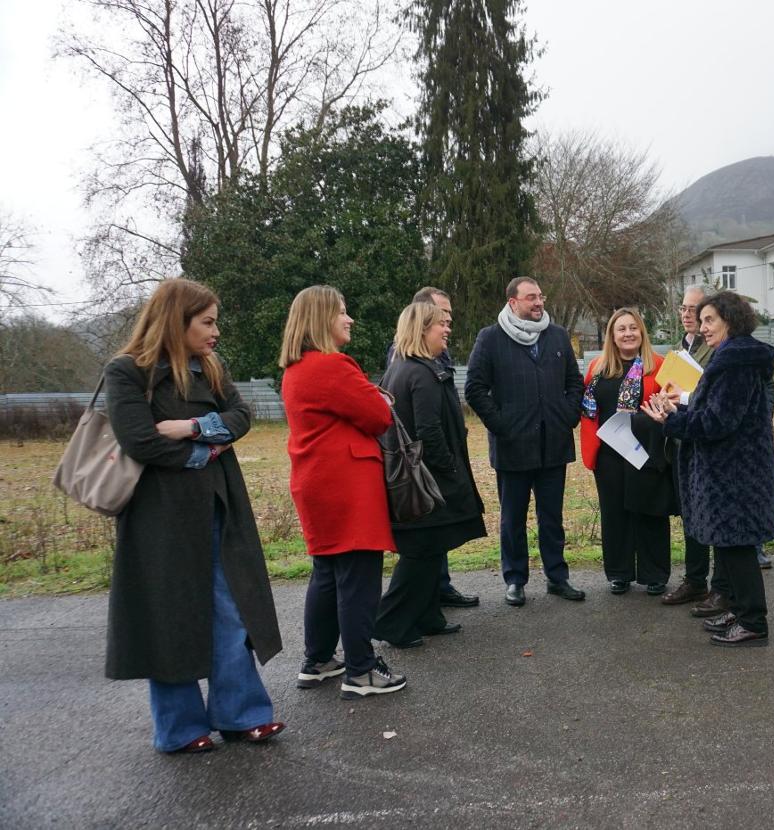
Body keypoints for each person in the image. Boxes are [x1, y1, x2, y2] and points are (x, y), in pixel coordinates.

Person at [103, 278, 283, 754]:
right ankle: (181, 729)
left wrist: (192, 427)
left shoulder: (211, 367)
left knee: (231, 611)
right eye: (207, 322)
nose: (216, 331)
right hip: (157, 521)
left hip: (218, 508)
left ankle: (241, 715)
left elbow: (242, 416)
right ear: (175, 321)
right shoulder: (127, 372)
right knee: (170, 619)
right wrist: (208, 451)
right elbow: (139, 440)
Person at [280, 285, 406, 698]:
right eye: (342, 312)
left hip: (316, 482)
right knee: (358, 577)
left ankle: (317, 660)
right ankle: (361, 670)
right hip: (346, 483)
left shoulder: (296, 369)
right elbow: (377, 415)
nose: (349, 319)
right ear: (320, 320)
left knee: (329, 575)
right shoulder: (332, 367)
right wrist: (377, 400)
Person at [643, 291, 774, 647]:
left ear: (731, 321)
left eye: (709, 320)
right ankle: (738, 609)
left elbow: (718, 423)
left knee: (737, 548)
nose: (702, 327)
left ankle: (753, 621)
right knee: (728, 546)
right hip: (729, 471)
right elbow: (714, 415)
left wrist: (671, 422)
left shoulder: (735, 362)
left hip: (735, 474)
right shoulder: (731, 357)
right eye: (701, 320)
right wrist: (677, 414)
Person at [465, 277, 586, 606]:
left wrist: (567, 416)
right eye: (531, 297)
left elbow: (574, 382)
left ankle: (557, 577)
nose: (538, 302)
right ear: (512, 302)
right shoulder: (491, 338)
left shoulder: (557, 335)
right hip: (512, 447)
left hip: (553, 444)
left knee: (552, 517)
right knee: (512, 518)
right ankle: (515, 579)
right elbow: (475, 388)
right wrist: (502, 425)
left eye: (540, 296)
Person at [374, 302, 487, 647]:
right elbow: (427, 430)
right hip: (427, 479)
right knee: (422, 551)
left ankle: (427, 616)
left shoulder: (401, 368)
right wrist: (450, 468)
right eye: (441, 324)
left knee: (431, 548)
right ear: (423, 330)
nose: (447, 329)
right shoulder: (420, 373)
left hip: (417, 477)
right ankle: (391, 623)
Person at [580, 308, 673, 595]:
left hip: (647, 452)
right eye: (621, 329)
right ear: (612, 335)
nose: (628, 333)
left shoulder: (659, 366)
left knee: (650, 513)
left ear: (642, 332)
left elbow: (673, 404)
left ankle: (654, 573)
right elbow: (587, 410)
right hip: (609, 454)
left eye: (633, 328)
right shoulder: (598, 368)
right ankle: (619, 573)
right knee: (614, 514)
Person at [659, 284, 732, 612]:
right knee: (691, 513)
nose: (688, 314)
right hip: (682, 440)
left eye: (695, 309)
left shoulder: (722, 347)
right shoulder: (679, 350)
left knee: (714, 515)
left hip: (711, 441)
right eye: (684, 308)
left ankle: (721, 586)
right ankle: (695, 579)